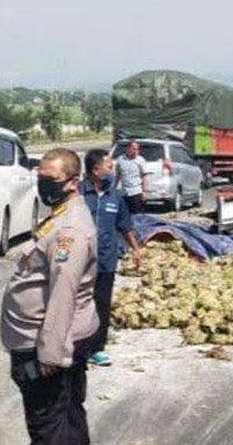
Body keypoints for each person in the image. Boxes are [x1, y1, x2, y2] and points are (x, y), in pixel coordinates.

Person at [0, 148, 98, 445]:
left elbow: (63, 292)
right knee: (67, 415)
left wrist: (51, 353)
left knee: (48, 426)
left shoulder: (70, 230)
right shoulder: (60, 216)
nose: (44, 184)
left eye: (51, 179)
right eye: (40, 177)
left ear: (73, 182)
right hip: (50, 339)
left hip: (45, 345)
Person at [82, 149, 142, 366]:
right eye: (108, 166)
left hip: (106, 260)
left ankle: (97, 348)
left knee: (102, 305)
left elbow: (125, 225)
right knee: (78, 304)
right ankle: (77, 347)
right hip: (80, 263)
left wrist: (136, 249)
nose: (112, 169)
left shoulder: (114, 197)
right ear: (95, 170)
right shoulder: (78, 194)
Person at [115, 141, 149, 214]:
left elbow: (144, 176)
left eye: (137, 149)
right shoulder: (120, 159)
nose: (136, 151)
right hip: (124, 192)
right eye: (134, 149)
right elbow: (117, 175)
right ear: (128, 148)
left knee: (137, 216)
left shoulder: (140, 160)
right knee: (125, 215)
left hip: (136, 192)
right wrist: (113, 189)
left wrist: (144, 192)